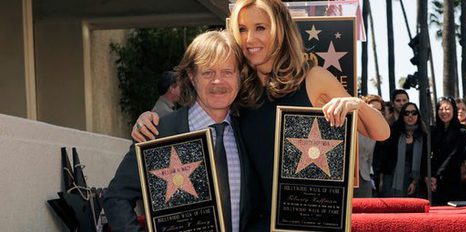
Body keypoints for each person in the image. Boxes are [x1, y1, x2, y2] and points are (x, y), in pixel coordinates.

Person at [129, 0, 391, 226]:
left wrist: (356, 104)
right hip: (252, 224)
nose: (249, 39)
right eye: (241, 29)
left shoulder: (314, 78)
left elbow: (381, 132)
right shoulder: (239, 89)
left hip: (307, 221)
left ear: (280, 31)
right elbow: (197, 117)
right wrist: (149, 120)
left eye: (260, 28)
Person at [103, 31, 262, 231]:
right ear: (191, 76)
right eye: (208, 72)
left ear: (239, 76)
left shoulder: (251, 132)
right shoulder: (159, 133)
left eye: (227, 72)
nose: (218, 81)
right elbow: (116, 197)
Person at [378, 102, 429, 198]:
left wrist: (414, 182)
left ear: (418, 115)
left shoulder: (423, 136)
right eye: (407, 113)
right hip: (392, 178)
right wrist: (381, 180)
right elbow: (384, 157)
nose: (410, 116)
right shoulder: (393, 132)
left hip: (414, 180)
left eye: (414, 113)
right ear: (402, 116)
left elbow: (424, 161)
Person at [428, 96, 466, 205]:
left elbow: (454, 155)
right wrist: (430, 175)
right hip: (433, 180)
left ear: (453, 110)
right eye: (441, 109)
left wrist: (438, 175)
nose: (444, 112)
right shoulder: (433, 130)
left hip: (452, 177)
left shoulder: (462, 131)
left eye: (447, 109)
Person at [356, 95, 385, 197]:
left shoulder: (378, 132)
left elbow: (371, 158)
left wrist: (371, 177)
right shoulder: (354, 125)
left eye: (379, 110)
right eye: (372, 109)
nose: (376, 113)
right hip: (348, 177)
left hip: (365, 178)